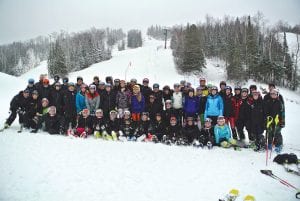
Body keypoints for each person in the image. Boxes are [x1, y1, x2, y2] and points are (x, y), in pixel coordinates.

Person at [264, 88, 285, 153]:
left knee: (277, 133)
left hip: (277, 120)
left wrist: (282, 121)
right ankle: (269, 144)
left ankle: (279, 145)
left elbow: (282, 113)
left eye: (274, 94)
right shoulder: (268, 102)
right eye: (272, 94)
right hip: (269, 120)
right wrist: (266, 119)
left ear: (277, 95)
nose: (273, 95)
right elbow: (265, 112)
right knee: (269, 132)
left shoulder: (279, 102)